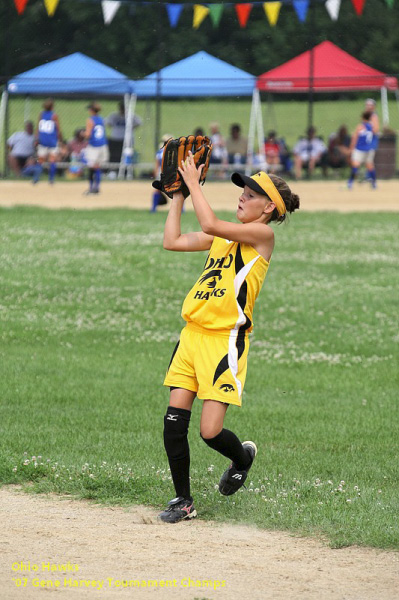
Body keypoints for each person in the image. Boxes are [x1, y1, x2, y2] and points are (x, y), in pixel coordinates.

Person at [159, 154, 300, 523]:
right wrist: (177, 197)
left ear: (269, 207)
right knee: (174, 421)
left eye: (252, 193)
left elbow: (209, 221)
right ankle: (183, 500)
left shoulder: (262, 235)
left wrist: (192, 182)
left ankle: (242, 458)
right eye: (243, 189)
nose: (242, 195)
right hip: (192, 336)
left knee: (209, 431)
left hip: (225, 341)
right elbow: (172, 241)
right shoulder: (221, 238)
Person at [83, 102, 109, 195]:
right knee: (98, 167)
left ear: (91, 110)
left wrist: (83, 134)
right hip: (103, 145)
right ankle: (97, 187)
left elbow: (88, 134)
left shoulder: (90, 120)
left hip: (94, 146)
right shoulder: (102, 119)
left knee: (91, 167)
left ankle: (91, 188)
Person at [35, 98, 62, 184]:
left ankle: (36, 178)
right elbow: (58, 129)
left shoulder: (41, 114)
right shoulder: (54, 115)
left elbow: (38, 128)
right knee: (52, 160)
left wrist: (37, 138)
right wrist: (60, 139)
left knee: (40, 160)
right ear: (52, 107)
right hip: (52, 140)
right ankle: (51, 179)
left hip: (43, 139)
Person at [347, 111, 376, 189]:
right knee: (370, 166)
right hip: (369, 149)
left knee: (355, 165)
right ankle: (374, 183)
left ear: (362, 118)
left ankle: (350, 183)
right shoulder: (371, 126)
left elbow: (355, 137)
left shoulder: (360, 126)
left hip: (360, 149)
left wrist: (351, 148)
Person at [151, 134, 172, 212]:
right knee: (178, 191)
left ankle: (153, 209)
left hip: (161, 173)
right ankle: (181, 210)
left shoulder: (159, 152)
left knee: (157, 190)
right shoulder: (173, 151)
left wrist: (155, 175)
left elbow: (156, 165)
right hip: (170, 172)